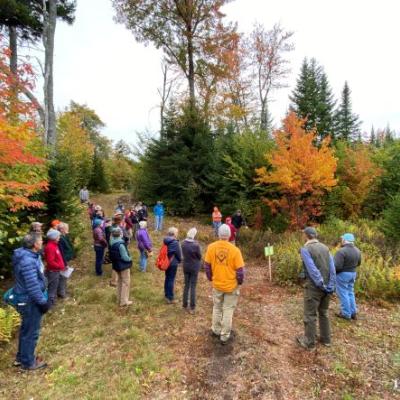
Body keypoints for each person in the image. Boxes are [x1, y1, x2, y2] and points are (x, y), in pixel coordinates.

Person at [12, 233, 50, 370]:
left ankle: (21, 357)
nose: (42, 242)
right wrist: (42, 302)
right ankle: (28, 363)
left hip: (27, 299)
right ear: (34, 244)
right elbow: (32, 285)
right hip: (29, 300)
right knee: (31, 332)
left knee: (26, 329)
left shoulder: (27, 255)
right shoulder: (27, 261)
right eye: (40, 240)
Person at [204, 224, 245, 345]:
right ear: (229, 235)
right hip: (231, 286)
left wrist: (210, 277)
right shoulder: (235, 250)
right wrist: (240, 282)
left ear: (218, 234)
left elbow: (207, 265)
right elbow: (240, 271)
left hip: (217, 284)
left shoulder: (211, 247)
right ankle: (224, 335)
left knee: (217, 307)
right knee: (228, 309)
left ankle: (216, 330)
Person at [297, 227, 336, 350]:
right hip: (327, 287)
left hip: (314, 287)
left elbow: (312, 269)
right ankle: (326, 339)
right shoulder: (325, 248)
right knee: (324, 313)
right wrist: (330, 285)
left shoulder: (305, 249)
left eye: (304, 234)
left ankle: (309, 343)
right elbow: (332, 268)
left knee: (310, 315)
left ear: (307, 235)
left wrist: (320, 284)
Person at [334, 233, 361, 320]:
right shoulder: (358, 250)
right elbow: (359, 263)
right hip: (353, 274)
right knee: (350, 292)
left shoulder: (341, 251)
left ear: (345, 240)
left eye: (342, 239)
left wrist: (333, 273)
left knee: (343, 294)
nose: (341, 241)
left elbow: (337, 266)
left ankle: (346, 314)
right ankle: (353, 313)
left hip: (342, 274)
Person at [109, 228, 133, 307]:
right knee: (126, 283)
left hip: (116, 265)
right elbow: (125, 257)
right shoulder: (121, 244)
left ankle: (119, 299)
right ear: (120, 234)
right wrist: (130, 258)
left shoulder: (112, 242)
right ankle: (124, 301)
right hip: (123, 266)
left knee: (119, 281)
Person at [44, 229, 67, 307]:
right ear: (54, 237)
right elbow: (50, 261)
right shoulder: (50, 247)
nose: (59, 237)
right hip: (53, 271)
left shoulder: (55, 245)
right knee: (52, 288)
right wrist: (60, 266)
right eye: (58, 236)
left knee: (56, 285)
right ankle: (50, 305)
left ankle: (54, 300)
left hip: (57, 270)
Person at [181, 228, 202, 314]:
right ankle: (192, 307)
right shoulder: (196, 245)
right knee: (193, 286)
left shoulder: (183, 243)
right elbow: (199, 256)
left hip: (186, 266)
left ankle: (184, 305)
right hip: (194, 267)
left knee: (186, 285)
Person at [163, 227, 182, 304]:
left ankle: (166, 294)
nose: (177, 234)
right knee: (171, 279)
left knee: (167, 278)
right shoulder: (175, 242)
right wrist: (180, 260)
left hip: (166, 262)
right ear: (174, 234)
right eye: (177, 233)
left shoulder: (166, 240)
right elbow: (178, 254)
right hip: (173, 263)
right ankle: (170, 298)